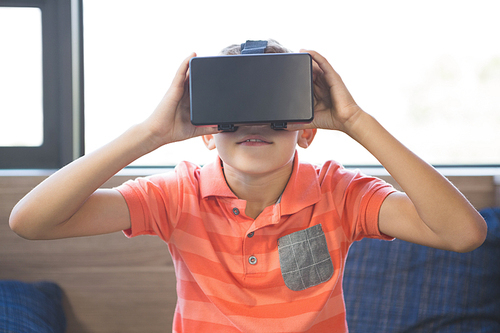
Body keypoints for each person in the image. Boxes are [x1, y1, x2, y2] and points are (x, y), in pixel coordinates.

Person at [9, 39, 487, 332]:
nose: (253, 124)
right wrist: (151, 133)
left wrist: (357, 121)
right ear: (208, 131)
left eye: (274, 112)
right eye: (233, 116)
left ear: (307, 128)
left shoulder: (339, 194)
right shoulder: (177, 195)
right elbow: (31, 222)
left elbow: (463, 233)